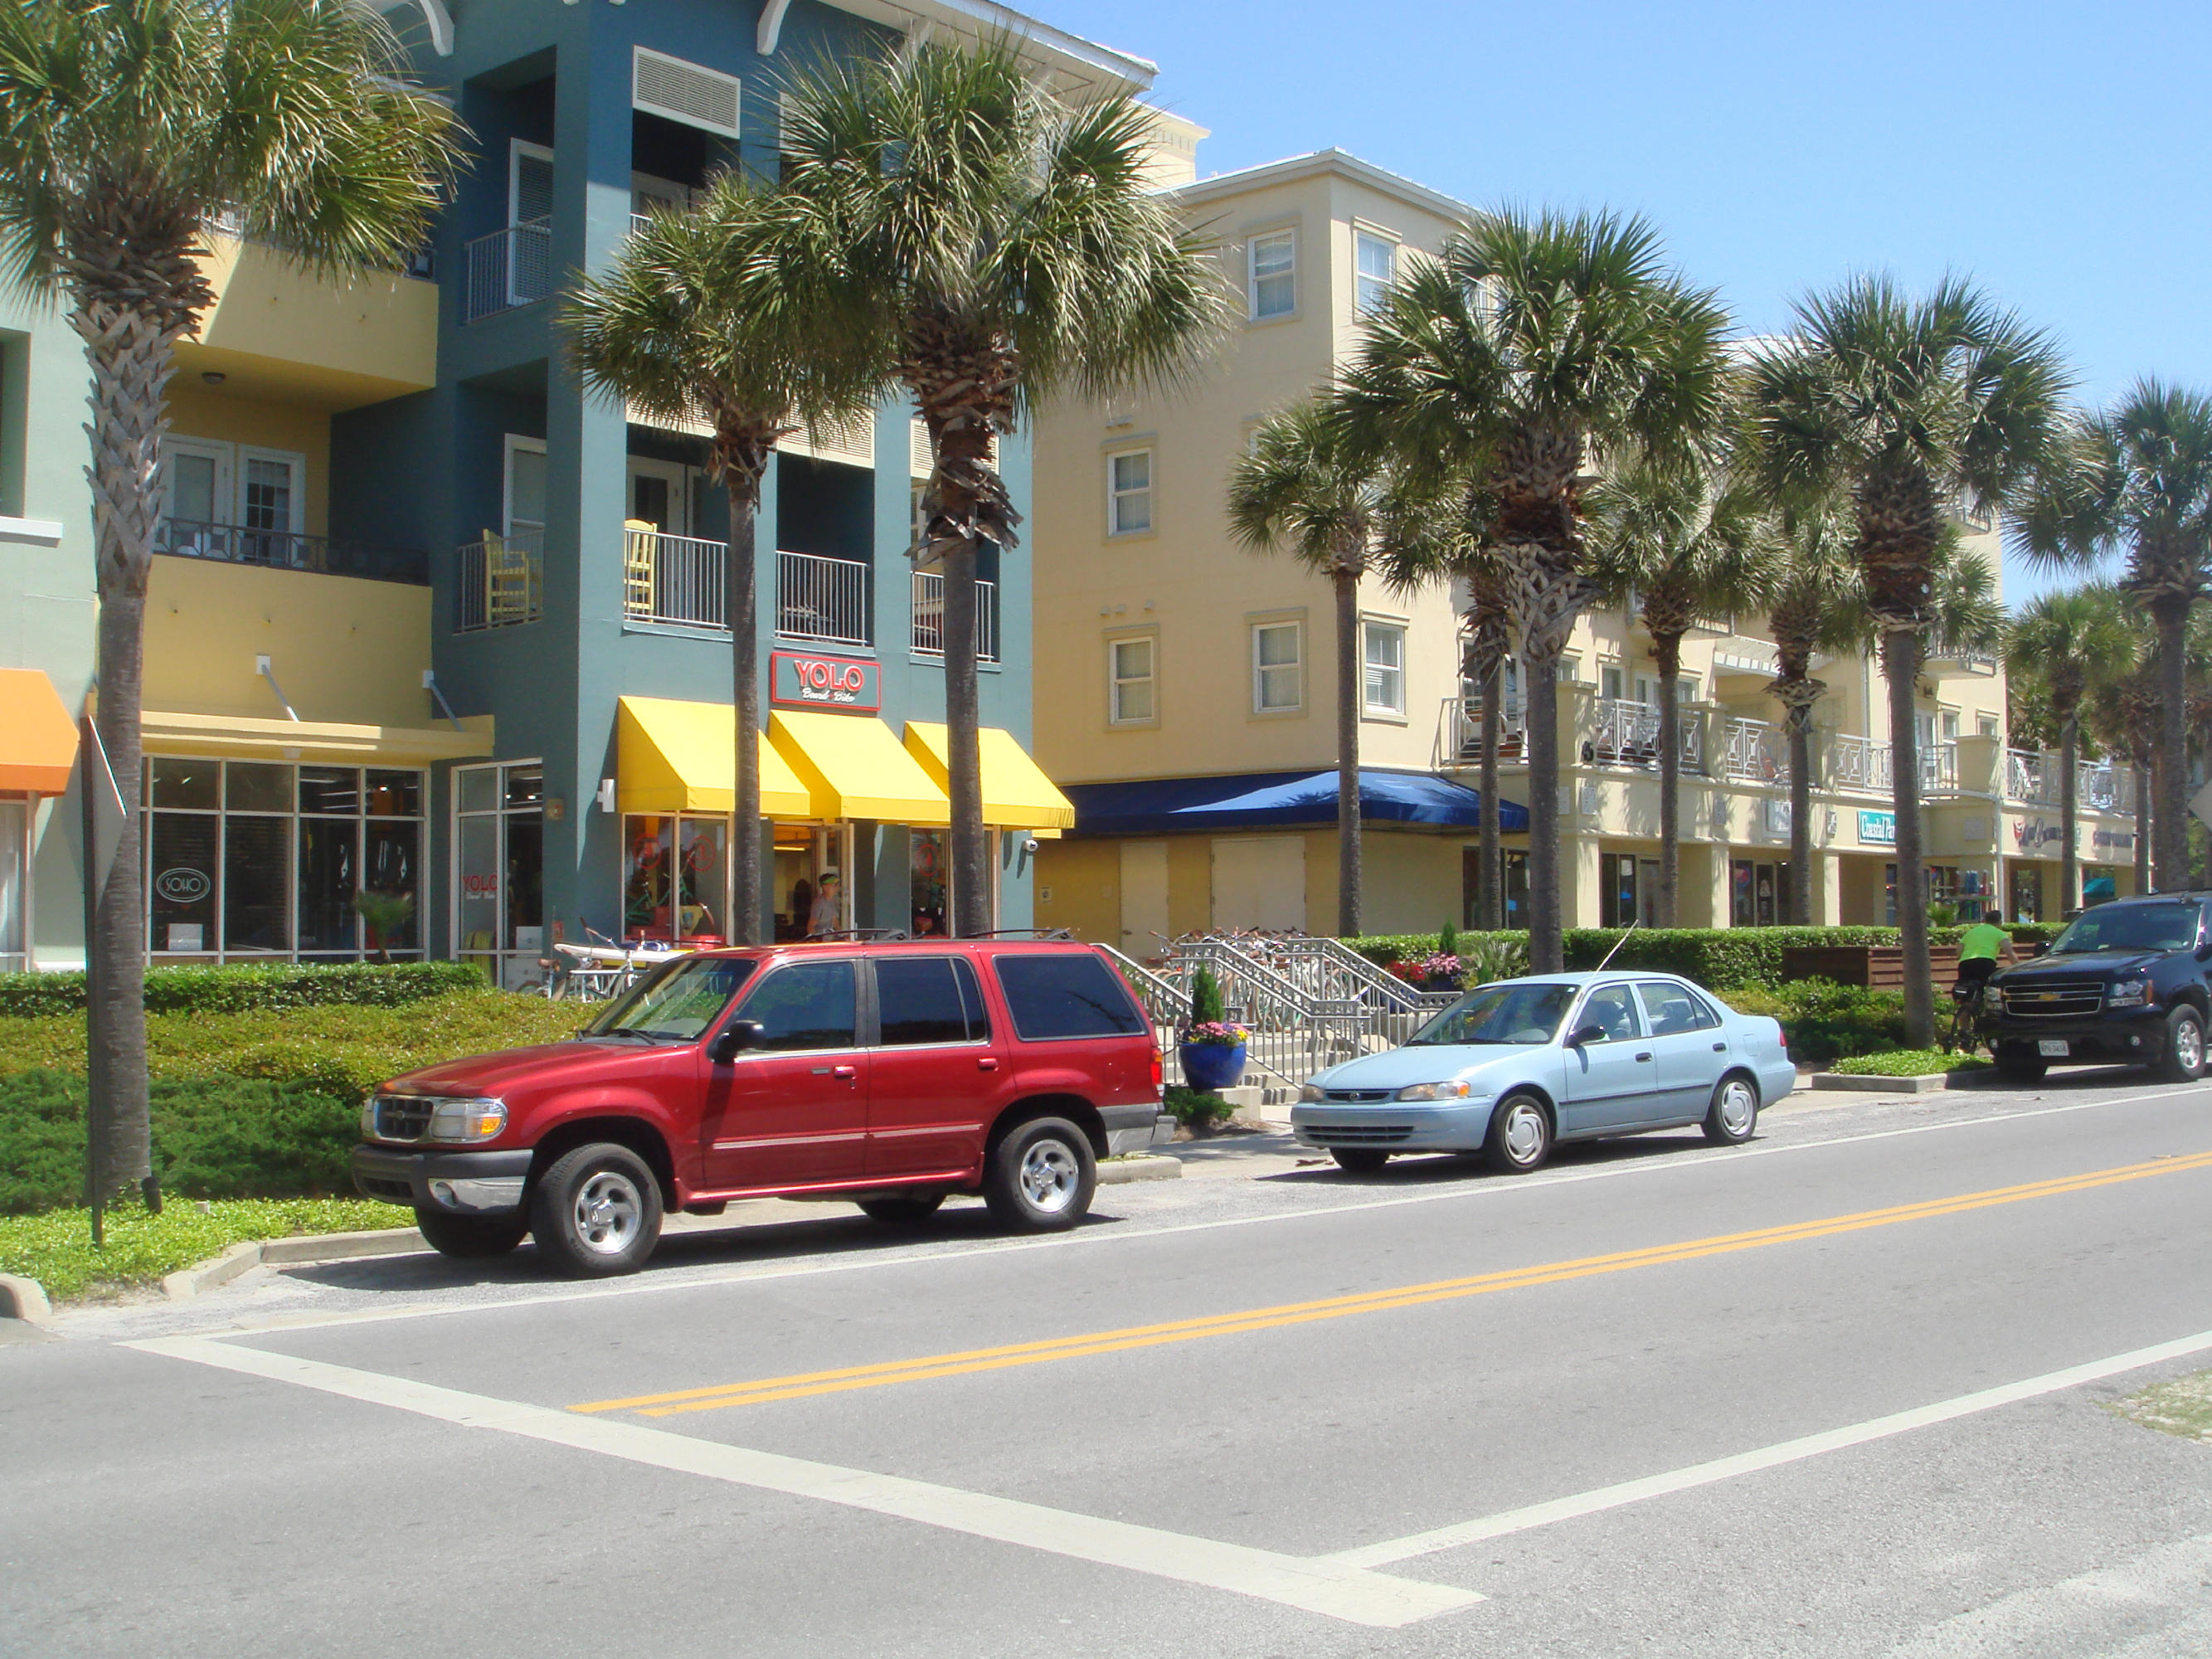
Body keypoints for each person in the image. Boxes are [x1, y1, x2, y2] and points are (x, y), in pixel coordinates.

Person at [1956, 907, 2018, 995]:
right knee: (1987, 988)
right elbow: (2009, 952)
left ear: (1985, 920)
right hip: (1985, 963)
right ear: (2000, 922)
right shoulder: (1999, 933)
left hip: (1965, 963)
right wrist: (2018, 966)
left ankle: (1965, 1004)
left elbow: (1959, 951)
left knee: (1964, 989)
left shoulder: (1971, 932)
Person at [807, 871, 843, 937]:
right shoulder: (819, 903)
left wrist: (842, 935)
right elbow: (811, 926)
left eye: (837, 884)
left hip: (830, 939)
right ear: (825, 887)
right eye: (834, 885)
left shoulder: (833, 900)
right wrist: (816, 942)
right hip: (821, 940)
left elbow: (834, 919)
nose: (837, 888)